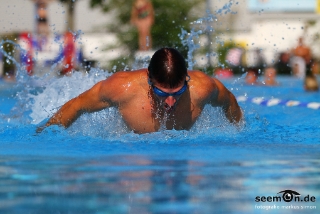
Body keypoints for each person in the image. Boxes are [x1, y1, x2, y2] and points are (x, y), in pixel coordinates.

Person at [38, 48, 242, 134]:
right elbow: (77, 105)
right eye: (162, 93)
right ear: (149, 80)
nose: (170, 101)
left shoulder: (203, 87)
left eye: (178, 92)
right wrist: (45, 137)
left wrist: (238, 132)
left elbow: (229, 102)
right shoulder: (121, 88)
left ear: (187, 80)